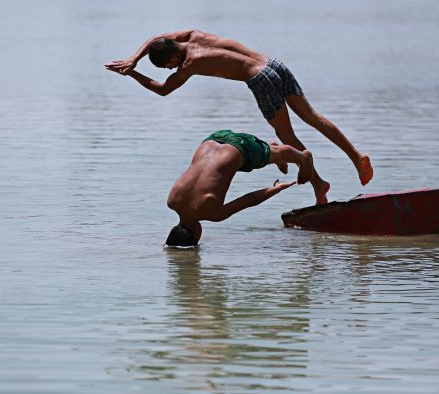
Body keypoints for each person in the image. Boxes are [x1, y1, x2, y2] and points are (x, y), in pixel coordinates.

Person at [105, 30, 373, 205]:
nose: (172, 69)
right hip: (273, 64)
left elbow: (163, 90)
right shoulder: (194, 36)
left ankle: (319, 184)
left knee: (286, 135)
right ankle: (356, 156)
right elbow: (157, 38)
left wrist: (132, 72)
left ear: (175, 55)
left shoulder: (190, 63)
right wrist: (134, 57)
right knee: (312, 116)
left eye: (169, 65)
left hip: (260, 78)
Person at [164, 130, 314, 248]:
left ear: (196, 235)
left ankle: (302, 157)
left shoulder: (213, 214)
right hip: (212, 140)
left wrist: (276, 188)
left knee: (257, 157)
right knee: (241, 163)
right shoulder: (172, 201)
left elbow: (250, 200)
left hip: (239, 148)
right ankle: (272, 152)